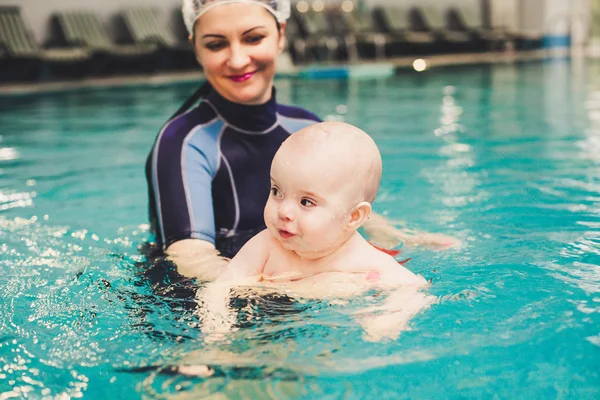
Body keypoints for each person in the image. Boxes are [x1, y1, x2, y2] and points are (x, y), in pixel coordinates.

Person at [145, 0, 458, 282]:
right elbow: (191, 260)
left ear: (281, 35)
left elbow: (342, 207)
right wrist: (312, 286)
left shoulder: (305, 125)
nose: (238, 60)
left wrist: (398, 235)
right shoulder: (182, 142)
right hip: (206, 304)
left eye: (254, 38)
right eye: (216, 45)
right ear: (195, 48)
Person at [198, 122, 432, 341]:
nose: (284, 211)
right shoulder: (265, 246)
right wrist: (217, 328)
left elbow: (415, 288)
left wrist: (387, 321)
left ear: (353, 217)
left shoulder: (367, 261)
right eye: (277, 191)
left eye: (306, 202)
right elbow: (219, 289)